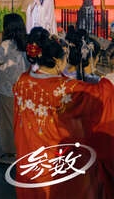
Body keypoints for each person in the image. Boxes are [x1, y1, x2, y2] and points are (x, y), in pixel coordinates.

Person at [12, 27, 114, 197]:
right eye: (64, 58)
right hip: (55, 162)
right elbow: (100, 95)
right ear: (56, 61)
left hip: (29, 155)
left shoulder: (23, 81)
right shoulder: (63, 89)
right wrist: (109, 79)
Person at [0, 13, 28, 165]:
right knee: (22, 121)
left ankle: (11, 153)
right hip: (25, 89)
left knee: (8, 121)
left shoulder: (5, 44)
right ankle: (23, 150)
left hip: (8, 89)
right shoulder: (26, 43)